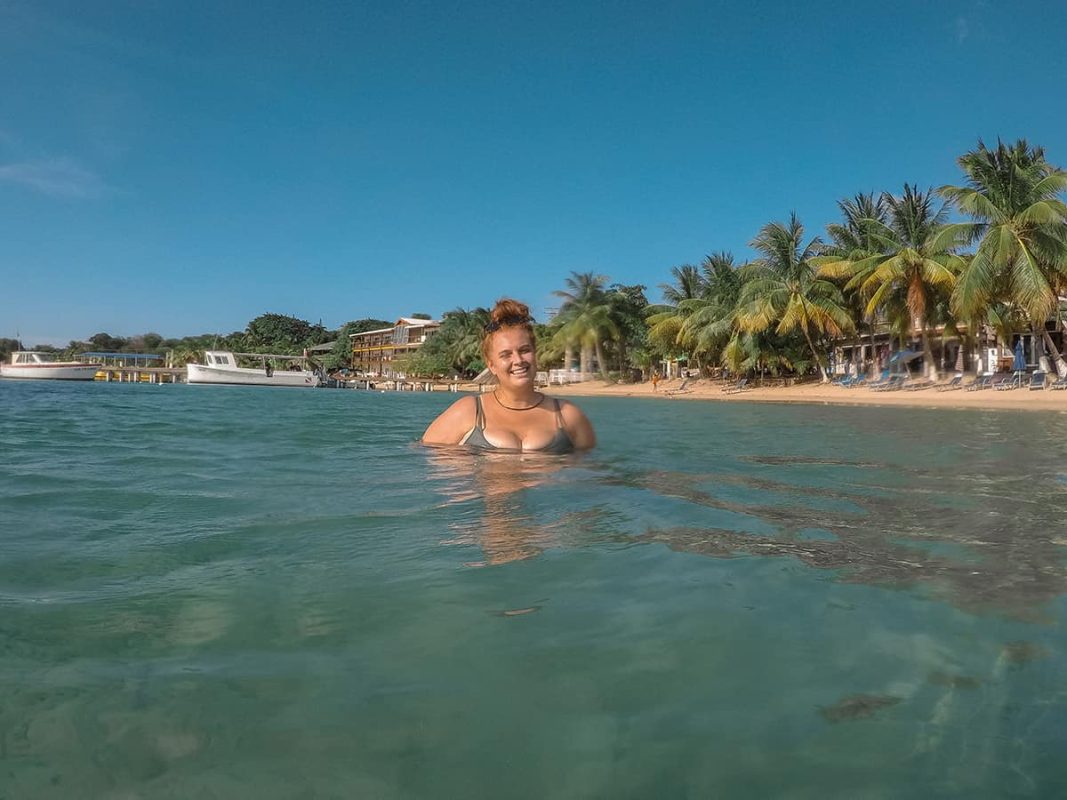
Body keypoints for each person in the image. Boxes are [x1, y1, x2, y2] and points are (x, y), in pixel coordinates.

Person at [422, 298, 596, 452]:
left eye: (525, 350)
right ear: (491, 365)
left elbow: (592, 472)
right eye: (506, 355)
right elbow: (423, 459)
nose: (518, 360)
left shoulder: (568, 415)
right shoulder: (468, 411)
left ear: (535, 353)